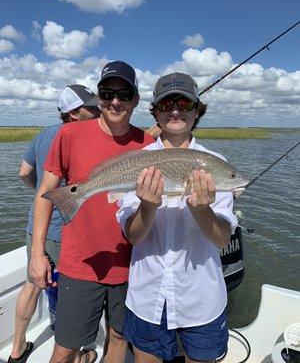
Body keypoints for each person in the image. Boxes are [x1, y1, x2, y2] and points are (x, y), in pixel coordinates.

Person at [29, 61, 154, 363]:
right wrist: (37, 255)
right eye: (107, 93)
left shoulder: (150, 145)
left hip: (131, 265)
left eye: (124, 94)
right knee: (65, 348)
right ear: (98, 97)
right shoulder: (69, 135)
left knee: (119, 338)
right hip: (79, 263)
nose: (115, 101)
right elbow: (45, 195)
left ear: (136, 99)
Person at [116, 72, 238, 363]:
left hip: (201, 299)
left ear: (197, 111)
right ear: (155, 112)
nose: (175, 111)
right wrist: (147, 207)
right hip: (148, 297)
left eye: (184, 104)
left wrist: (201, 209)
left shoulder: (214, 164)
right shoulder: (138, 162)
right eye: (166, 104)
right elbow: (132, 236)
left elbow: (222, 239)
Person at [7, 85, 100, 363]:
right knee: (75, 294)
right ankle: (80, 353)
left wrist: (42, 192)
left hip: (36, 226)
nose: (98, 111)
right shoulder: (82, 136)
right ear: (73, 113)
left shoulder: (43, 134)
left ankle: (16, 348)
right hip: (66, 230)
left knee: (31, 285)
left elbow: (24, 172)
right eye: (91, 108)